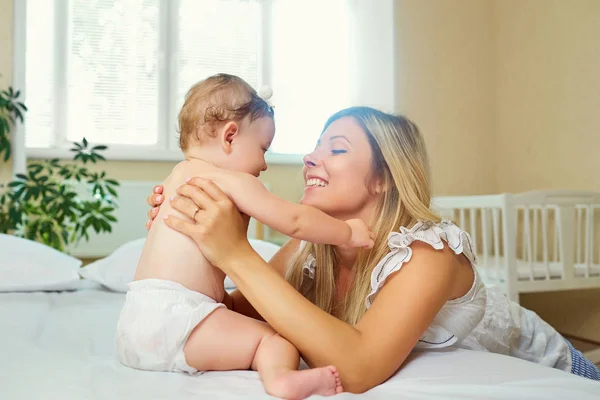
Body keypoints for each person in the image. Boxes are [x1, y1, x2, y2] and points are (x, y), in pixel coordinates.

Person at [148, 105, 600, 393]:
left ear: (382, 179)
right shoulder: (308, 249)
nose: (310, 157)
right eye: (315, 145)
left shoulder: (430, 249)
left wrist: (236, 254)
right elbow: (228, 313)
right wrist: (186, 239)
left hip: (564, 371)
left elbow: (361, 368)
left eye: (336, 148)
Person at [117, 74, 378, 399]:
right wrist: (347, 232)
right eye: (262, 149)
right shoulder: (231, 180)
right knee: (275, 342)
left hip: (133, 326)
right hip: (181, 319)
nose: (264, 165)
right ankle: (282, 380)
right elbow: (294, 220)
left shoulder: (176, 177)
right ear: (230, 137)